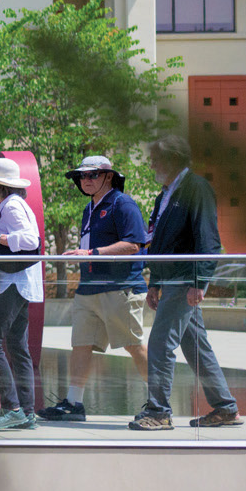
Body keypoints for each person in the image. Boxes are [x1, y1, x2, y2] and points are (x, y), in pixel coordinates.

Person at [131, 136, 242, 430]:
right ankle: (225, 407)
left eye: (156, 159)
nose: (152, 164)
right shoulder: (165, 194)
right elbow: (159, 242)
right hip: (171, 280)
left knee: (159, 343)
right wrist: (155, 281)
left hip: (184, 282)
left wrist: (200, 282)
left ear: (172, 160)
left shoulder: (196, 188)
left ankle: (159, 412)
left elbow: (208, 240)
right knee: (196, 347)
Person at [44, 156, 149, 421]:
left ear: (109, 176)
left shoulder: (123, 203)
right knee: (80, 344)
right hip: (88, 289)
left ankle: (159, 401)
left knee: (133, 345)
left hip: (120, 287)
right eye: (82, 176)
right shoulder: (88, 208)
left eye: (92, 175)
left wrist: (91, 253)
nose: (86, 180)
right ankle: (73, 403)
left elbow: (134, 244)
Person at [0, 157, 44, 431]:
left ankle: (12, 408)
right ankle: (26, 411)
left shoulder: (12, 207)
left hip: (13, 283)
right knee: (17, 346)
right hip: (22, 283)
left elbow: (31, 241)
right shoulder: (16, 205)